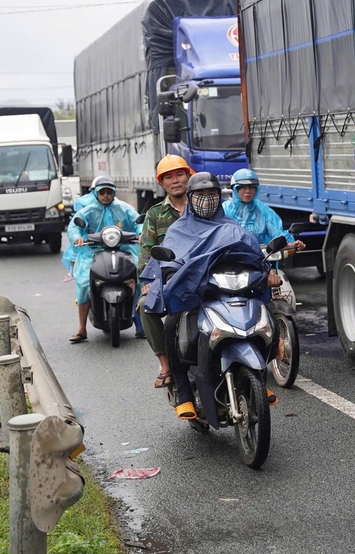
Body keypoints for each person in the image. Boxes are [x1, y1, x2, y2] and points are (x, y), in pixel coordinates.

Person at [139, 172, 277, 420]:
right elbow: (165, 261)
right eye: (201, 195)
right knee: (172, 325)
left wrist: (267, 273)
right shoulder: (178, 230)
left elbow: (254, 256)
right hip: (196, 295)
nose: (207, 200)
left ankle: (259, 376)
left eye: (212, 195)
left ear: (219, 196)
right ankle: (183, 392)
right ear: (191, 198)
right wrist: (170, 277)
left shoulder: (232, 227)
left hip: (229, 290)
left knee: (267, 317)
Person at [137, 155, 193, 388]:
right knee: (144, 306)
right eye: (168, 177)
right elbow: (146, 252)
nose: (175, 180)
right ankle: (165, 364)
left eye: (179, 174)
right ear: (161, 183)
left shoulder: (205, 204)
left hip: (203, 274)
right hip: (168, 279)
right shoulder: (155, 214)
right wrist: (148, 282)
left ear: (189, 176)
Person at [66, 176, 141, 343]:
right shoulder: (88, 211)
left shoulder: (124, 208)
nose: (106, 195)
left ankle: (140, 322)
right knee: (85, 281)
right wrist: (77, 237)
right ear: (96, 193)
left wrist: (141, 233)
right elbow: (74, 226)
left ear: (113, 193)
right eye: (102, 192)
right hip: (92, 250)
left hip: (123, 248)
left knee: (138, 274)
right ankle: (82, 328)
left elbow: (138, 222)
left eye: (109, 192)